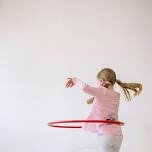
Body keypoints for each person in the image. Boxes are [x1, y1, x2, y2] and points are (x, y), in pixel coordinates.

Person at [66, 68, 142, 152]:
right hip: (118, 136)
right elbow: (104, 99)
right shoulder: (116, 95)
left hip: (105, 135)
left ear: (102, 81)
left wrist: (75, 80)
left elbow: (85, 88)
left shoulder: (101, 92)